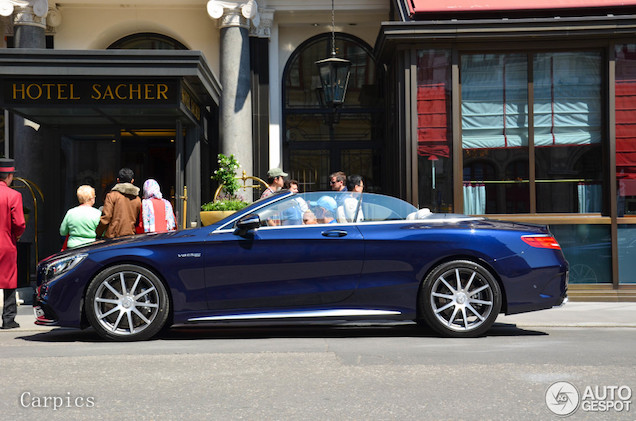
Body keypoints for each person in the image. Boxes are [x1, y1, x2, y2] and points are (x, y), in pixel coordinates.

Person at [0, 158, 26, 329]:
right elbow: (19, 223)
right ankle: (8, 319)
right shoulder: (14, 195)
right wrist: (16, 236)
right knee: (8, 281)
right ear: (9, 176)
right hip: (6, 241)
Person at [96, 167, 142, 239]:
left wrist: (98, 233)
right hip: (131, 236)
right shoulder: (137, 199)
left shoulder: (111, 196)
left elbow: (106, 217)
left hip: (113, 238)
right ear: (132, 181)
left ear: (118, 180)